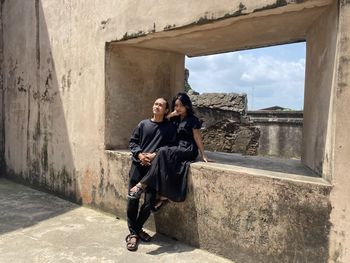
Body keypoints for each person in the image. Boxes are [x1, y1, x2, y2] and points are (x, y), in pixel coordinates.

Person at [128, 92, 208, 206]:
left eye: (181, 105)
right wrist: (172, 114)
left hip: (188, 148)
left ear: (187, 106)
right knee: (163, 153)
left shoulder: (192, 119)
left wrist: (203, 154)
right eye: (176, 105)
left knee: (162, 151)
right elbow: (162, 117)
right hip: (176, 147)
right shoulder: (174, 119)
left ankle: (143, 184)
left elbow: (197, 137)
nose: (178, 108)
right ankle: (163, 193)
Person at [125, 97, 176, 252]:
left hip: (153, 171)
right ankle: (135, 234)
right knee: (132, 200)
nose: (157, 106)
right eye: (155, 104)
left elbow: (170, 147)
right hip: (138, 166)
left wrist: (154, 155)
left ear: (166, 110)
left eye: (161, 105)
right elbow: (133, 142)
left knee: (148, 203)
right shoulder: (143, 124)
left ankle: (135, 231)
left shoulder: (169, 128)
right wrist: (140, 155)